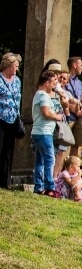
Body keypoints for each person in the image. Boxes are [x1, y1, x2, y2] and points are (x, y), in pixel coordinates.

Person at [31, 70, 63, 196]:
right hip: (44, 132)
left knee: (40, 161)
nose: (55, 85)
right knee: (50, 159)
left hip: (39, 132)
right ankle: (49, 187)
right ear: (47, 83)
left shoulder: (38, 94)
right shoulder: (43, 95)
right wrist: (57, 117)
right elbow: (46, 112)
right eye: (53, 82)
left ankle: (39, 187)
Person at [0, 53, 22, 189]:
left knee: (8, 151)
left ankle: (5, 182)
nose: (17, 69)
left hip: (13, 119)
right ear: (9, 65)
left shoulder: (17, 81)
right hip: (0, 118)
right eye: (16, 66)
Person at [65, 57, 82, 158]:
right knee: (62, 144)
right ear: (74, 65)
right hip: (69, 117)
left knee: (77, 145)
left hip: (79, 117)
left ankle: (71, 169)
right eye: (81, 65)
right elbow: (64, 97)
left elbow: (81, 99)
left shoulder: (80, 83)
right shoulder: (65, 79)